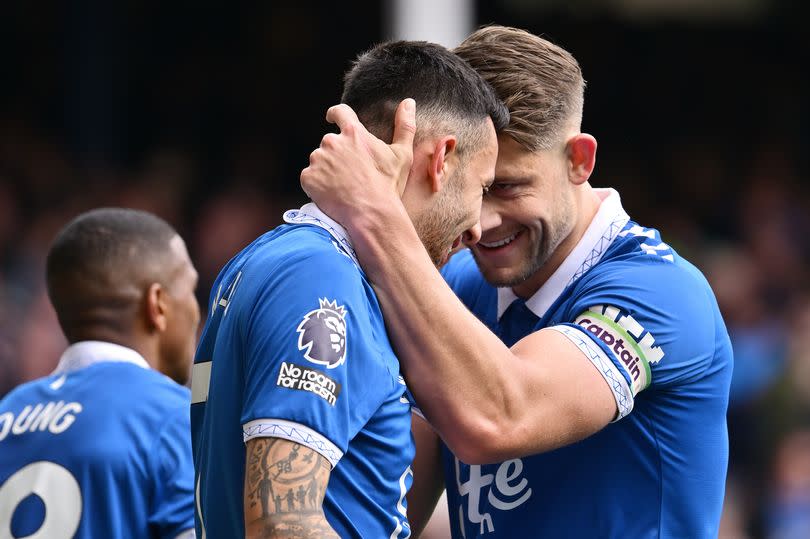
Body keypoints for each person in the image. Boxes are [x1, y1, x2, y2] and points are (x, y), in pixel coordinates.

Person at [300, 25, 734, 538]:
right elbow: (384, 505)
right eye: (471, 188)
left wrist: (376, 216)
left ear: (580, 160)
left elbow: (501, 417)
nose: (480, 223)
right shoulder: (455, 287)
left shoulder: (662, 294)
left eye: (504, 187)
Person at [190, 40, 508, 538]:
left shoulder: (266, 258)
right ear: (442, 158)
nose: (478, 227)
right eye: (483, 187)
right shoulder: (320, 276)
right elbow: (281, 523)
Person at [0, 208, 199, 538]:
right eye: (190, 290)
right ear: (158, 303)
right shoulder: (170, 417)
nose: (196, 310)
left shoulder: (7, 414)